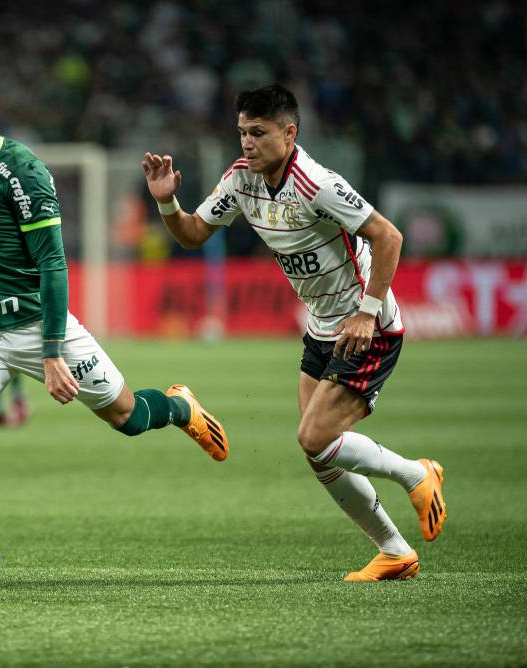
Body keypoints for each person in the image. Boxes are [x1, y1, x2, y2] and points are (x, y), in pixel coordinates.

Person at [0, 75, 230, 590]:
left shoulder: (24, 173)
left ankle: (181, 406)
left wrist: (53, 353)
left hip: (39, 326)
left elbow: (53, 264)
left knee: (127, 417)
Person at [142, 84, 446, 581]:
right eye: (241, 132)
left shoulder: (318, 183)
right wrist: (167, 203)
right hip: (322, 327)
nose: (246, 143)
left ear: (290, 132)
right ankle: (394, 551)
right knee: (320, 455)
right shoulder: (241, 180)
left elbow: (389, 236)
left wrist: (368, 312)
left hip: (367, 328)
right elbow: (194, 233)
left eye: (258, 133)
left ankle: (418, 473)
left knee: (314, 437)